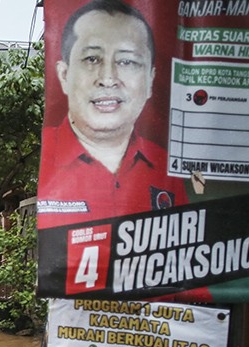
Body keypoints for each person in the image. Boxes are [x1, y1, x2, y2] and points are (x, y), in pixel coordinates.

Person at [37, 0, 188, 229]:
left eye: (127, 61)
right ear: (64, 75)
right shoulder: (45, 152)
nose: (108, 78)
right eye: (92, 59)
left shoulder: (168, 168)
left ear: (150, 80)